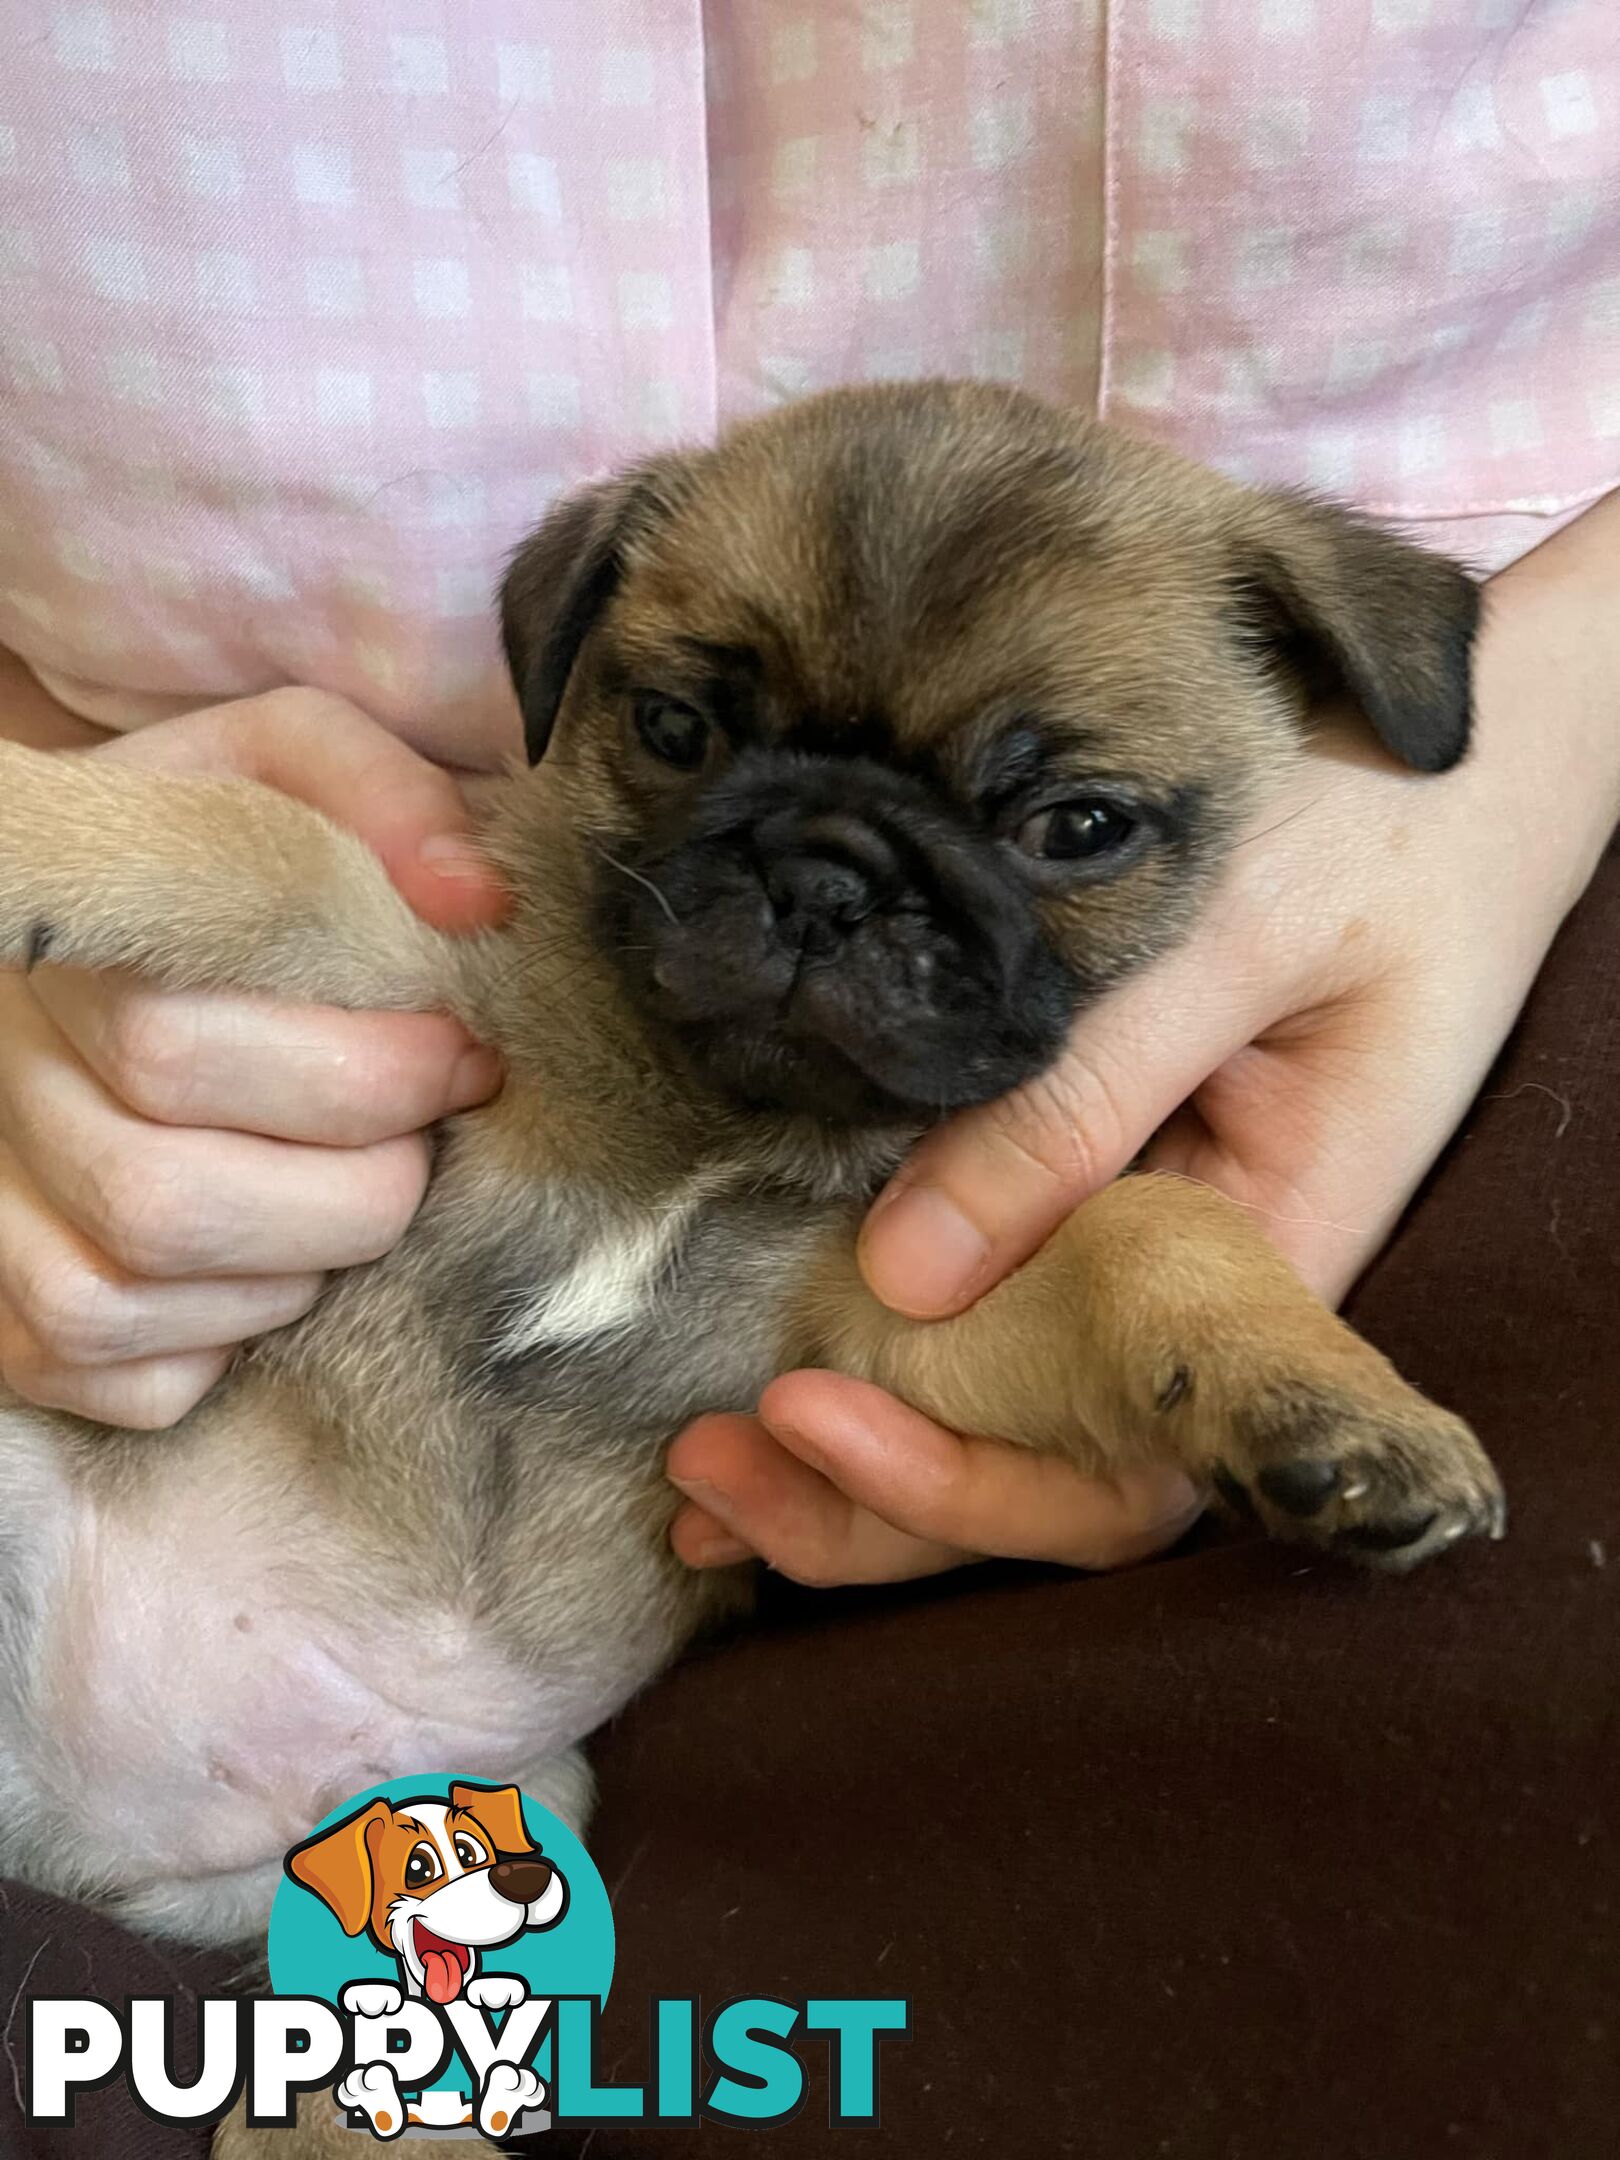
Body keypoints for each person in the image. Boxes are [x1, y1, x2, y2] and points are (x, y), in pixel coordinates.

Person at [2, 5, 1617, 1588]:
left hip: (460, 1806)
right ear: (568, 652)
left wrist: (1208, 1324)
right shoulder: (506, 917)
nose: (827, 896)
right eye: (692, 735)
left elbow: (942, 1333)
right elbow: (295, 903)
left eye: (1064, 829)